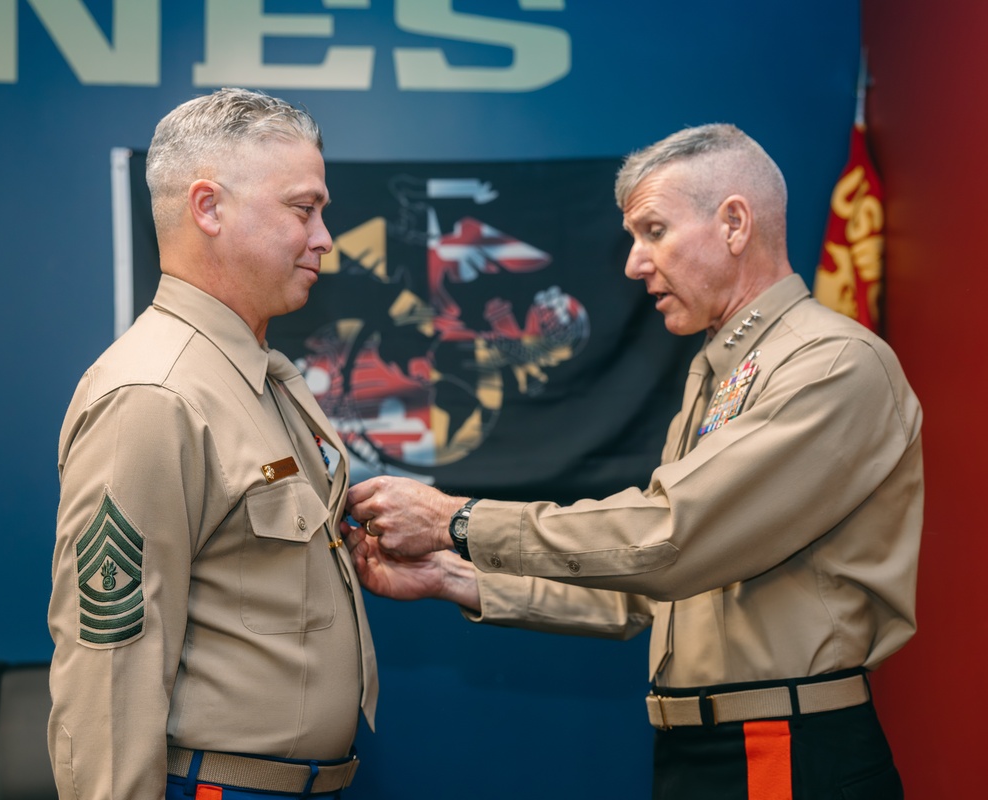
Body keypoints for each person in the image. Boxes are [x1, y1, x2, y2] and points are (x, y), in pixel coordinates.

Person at [342, 123, 923, 799]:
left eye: (653, 231)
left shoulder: (829, 365)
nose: (634, 262)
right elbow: (647, 588)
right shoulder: (719, 369)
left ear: (734, 223)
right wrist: (455, 577)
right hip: (705, 749)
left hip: (782, 747)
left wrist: (457, 521)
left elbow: (668, 537)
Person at [48, 88, 377, 800]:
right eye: (303, 209)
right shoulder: (154, 394)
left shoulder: (253, 378)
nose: (325, 238)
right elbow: (109, 665)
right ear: (208, 208)